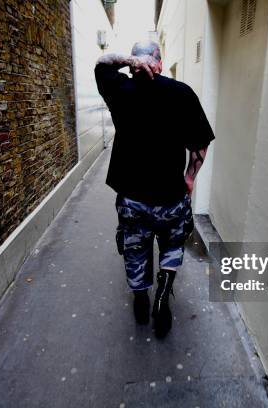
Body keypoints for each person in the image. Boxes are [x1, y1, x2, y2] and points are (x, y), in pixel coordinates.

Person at [95, 41, 214, 338]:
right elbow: (200, 144)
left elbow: (102, 63)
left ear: (137, 62)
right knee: (172, 247)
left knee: (135, 250)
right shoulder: (181, 92)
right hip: (171, 197)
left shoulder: (119, 89)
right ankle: (163, 297)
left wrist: (128, 59)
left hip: (133, 199)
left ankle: (140, 299)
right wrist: (189, 177)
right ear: (160, 62)